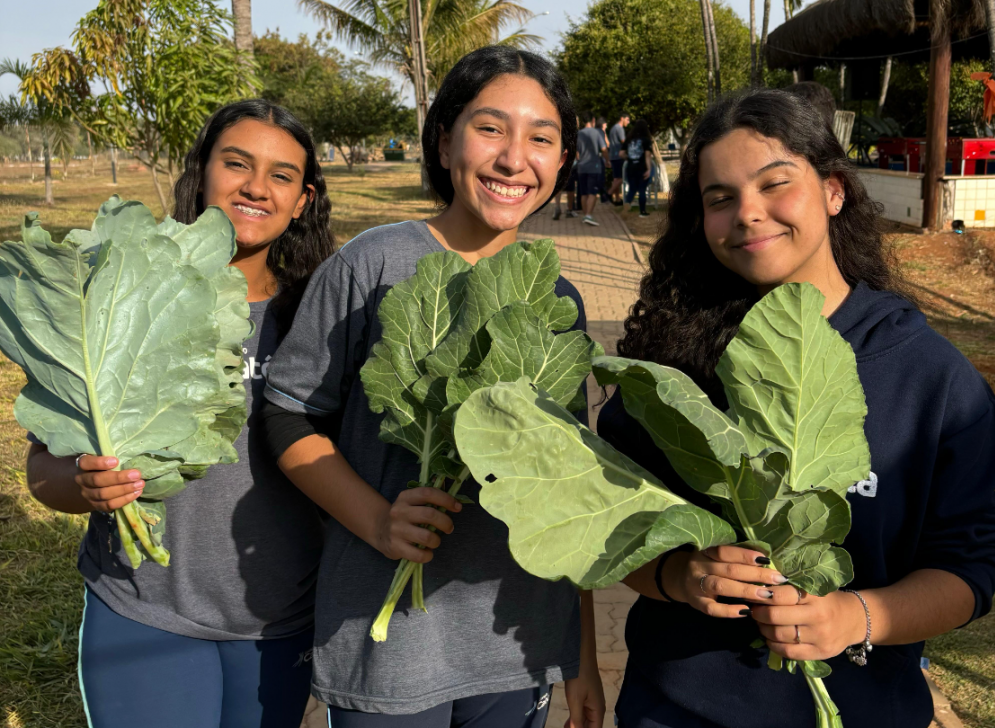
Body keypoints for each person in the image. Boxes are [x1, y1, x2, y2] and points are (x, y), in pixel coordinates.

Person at [601, 89, 995, 728]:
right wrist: (677, 576)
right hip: (674, 710)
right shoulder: (672, 365)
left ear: (834, 190)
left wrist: (857, 617)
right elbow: (612, 523)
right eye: (720, 199)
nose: (747, 213)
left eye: (775, 183)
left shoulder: (928, 376)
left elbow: (968, 571)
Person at [260, 46, 605, 728]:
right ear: (445, 139)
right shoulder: (371, 264)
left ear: (563, 161)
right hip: (390, 642)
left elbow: (570, 489)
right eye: (490, 128)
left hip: (518, 639)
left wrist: (583, 659)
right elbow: (288, 416)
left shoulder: (555, 294)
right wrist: (379, 521)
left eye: (541, 138)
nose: (514, 158)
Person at [25, 99, 337, 728]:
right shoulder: (120, 299)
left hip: (279, 621)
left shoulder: (323, 316)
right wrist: (86, 485)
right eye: (237, 163)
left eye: (281, 175)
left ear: (303, 200)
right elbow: (41, 471)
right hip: (143, 610)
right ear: (202, 171)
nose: (256, 186)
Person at [576, 111, 609, 226]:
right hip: (594, 166)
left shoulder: (579, 134)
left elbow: (576, 153)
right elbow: (604, 149)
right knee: (593, 192)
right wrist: (608, 161)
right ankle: (588, 215)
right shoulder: (597, 133)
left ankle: (586, 215)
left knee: (584, 193)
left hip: (581, 167)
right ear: (593, 120)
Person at [622, 118, 653, 218]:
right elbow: (647, 155)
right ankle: (642, 211)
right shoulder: (646, 140)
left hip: (631, 167)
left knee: (632, 189)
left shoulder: (629, 139)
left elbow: (621, 153)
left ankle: (627, 204)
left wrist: (629, 158)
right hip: (642, 167)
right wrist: (649, 169)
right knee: (642, 189)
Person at [607, 113, 630, 205]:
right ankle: (608, 193)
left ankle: (617, 199)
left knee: (616, 178)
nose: (628, 122)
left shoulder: (613, 128)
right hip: (618, 156)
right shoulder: (619, 128)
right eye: (627, 120)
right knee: (621, 178)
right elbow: (624, 141)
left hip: (613, 155)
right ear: (622, 118)